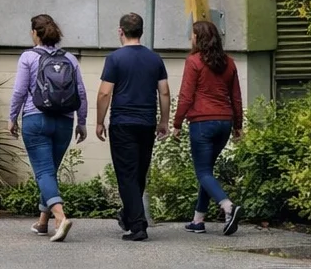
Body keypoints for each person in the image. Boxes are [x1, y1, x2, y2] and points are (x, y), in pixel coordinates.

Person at [8, 13, 88, 242]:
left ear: (35, 33)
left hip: (36, 119)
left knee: (43, 171)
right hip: (64, 121)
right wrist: (82, 121)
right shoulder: (70, 58)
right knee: (49, 171)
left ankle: (60, 217)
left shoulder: (28, 57)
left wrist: (12, 117)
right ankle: (43, 222)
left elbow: (19, 91)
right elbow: (81, 93)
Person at [95, 12, 169, 242]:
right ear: (141, 31)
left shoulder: (115, 58)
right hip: (147, 122)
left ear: (121, 31)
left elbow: (105, 93)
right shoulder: (155, 59)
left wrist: (99, 121)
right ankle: (129, 216)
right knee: (138, 173)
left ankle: (138, 226)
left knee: (127, 174)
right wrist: (164, 120)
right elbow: (164, 92)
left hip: (123, 123)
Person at [172, 19, 244, 236]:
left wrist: (177, 123)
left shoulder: (193, 61)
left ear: (198, 38)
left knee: (203, 172)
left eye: (192, 34)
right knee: (207, 171)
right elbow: (236, 97)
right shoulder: (229, 63)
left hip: (202, 122)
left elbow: (186, 95)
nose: (190, 38)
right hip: (224, 123)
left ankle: (227, 206)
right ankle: (198, 220)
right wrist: (238, 125)